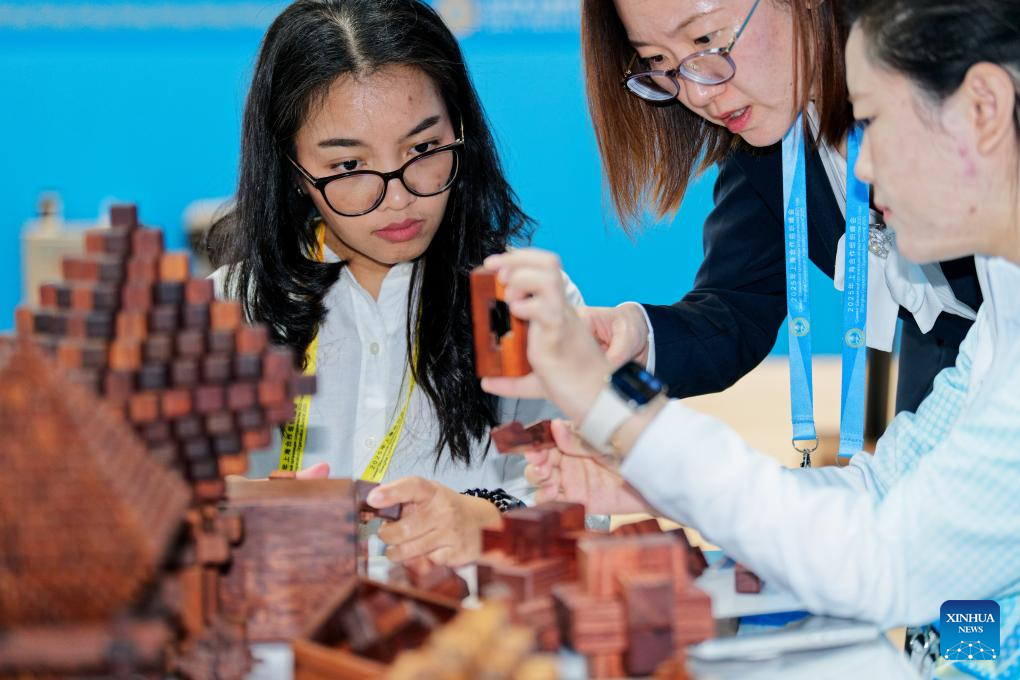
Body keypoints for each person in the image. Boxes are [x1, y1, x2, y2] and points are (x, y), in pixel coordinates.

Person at [483, 0, 1020, 675]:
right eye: (659, 66)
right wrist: (653, 475)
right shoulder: (1001, 306)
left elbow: (889, 560)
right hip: (947, 410)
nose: (861, 168)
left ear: (984, 106)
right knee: (955, 644)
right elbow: (882, 499)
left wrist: (620, 413)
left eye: (707, 40)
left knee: (966, 619)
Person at [207, 0, 581, 566]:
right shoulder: (226, 311)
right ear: (291, 169)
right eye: (349, 168)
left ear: (462, 131)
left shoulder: (518, 302)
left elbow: (582, 512)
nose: (400, 198)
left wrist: (484, 520)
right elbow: (143, 513)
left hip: (471, 643)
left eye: (424, 150)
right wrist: (225, 515)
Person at [574, 0, 981, 416]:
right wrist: (638, 335)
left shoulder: (965, 72)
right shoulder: (765, 147)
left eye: (706, 40)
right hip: (955, 356)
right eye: (658, 60)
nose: (697, 92)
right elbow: (736, 306)